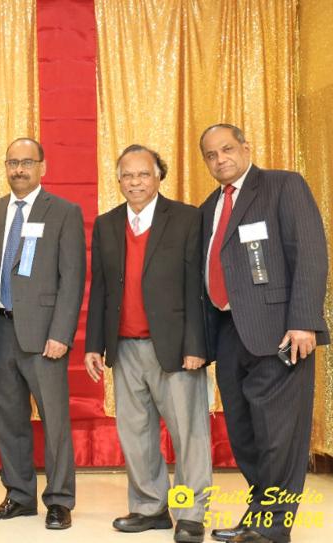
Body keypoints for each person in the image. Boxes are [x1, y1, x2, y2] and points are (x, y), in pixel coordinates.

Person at [198, 124, 328, 543]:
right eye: (212, 155)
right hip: (230, 333)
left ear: (246, 148)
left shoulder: (282, 186)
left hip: (280, 332)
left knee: (278, 436)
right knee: (245, 432)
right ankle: (258, 515)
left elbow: (310, 251)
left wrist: (304, 319)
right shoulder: (208, 207)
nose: (221, 160)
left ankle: (273, 529)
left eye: (227, 150)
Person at [84, 145, 210, 543]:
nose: (134, 182)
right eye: (127, 175)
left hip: (173, 346)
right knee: (135, 434)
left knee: (188, 434)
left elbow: (197, 289)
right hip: (123, 348)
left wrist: (197, 344)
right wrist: (94, 345)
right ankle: (149, 507)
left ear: (159, 177)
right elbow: (100, 289)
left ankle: (189, 512)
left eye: (143, 174)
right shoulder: (107, 224)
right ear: (118, 180)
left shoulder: (187, 219)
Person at [0, 137, 85, 530]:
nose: (18, 170)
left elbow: (73, 278)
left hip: (44, 337)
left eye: (26, 162)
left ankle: (59, 499)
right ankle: (19, 495)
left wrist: (62, 333)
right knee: (8, 419)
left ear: (43, 167)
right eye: (12, 163)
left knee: (54, 421)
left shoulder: (64, 212)